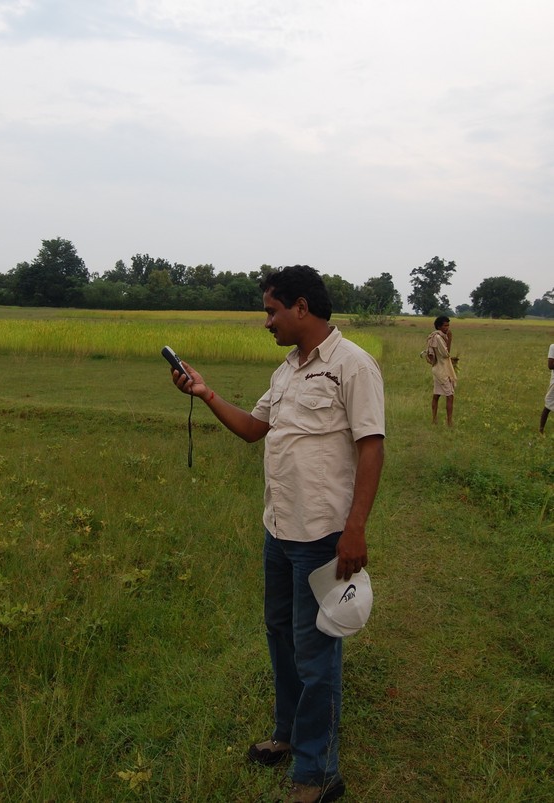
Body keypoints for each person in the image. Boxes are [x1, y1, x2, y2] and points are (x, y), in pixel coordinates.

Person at [169, 266, 385, 803]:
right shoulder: (287, 369)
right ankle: (288, 736)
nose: (266, 321)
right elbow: (253, 429)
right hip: (278, 528)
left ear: (302, 307)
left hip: (322, 535)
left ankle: (317, 773)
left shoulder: (352, 365)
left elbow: (371, 447)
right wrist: (205, 392)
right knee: (281, 637)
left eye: (271, 310)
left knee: (317, 654)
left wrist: (354, 529)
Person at [425, 315, 457, 426]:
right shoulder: (438, 338)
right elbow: (446, 353)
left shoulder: (437, 336)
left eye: (448, 325)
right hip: (442, 369)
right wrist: (450, 339)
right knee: (450, 395)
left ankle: (434, 420)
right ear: (439, 326)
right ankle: (449, 422)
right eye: (445, 325)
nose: (447, 327)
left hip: (437, 368)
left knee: (437, 395)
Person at [539, 343, 554, 434]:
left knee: (548, 405)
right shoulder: (553, 347)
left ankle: (541, 430)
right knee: (548, 404)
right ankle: (541, 430)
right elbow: (550, 365)